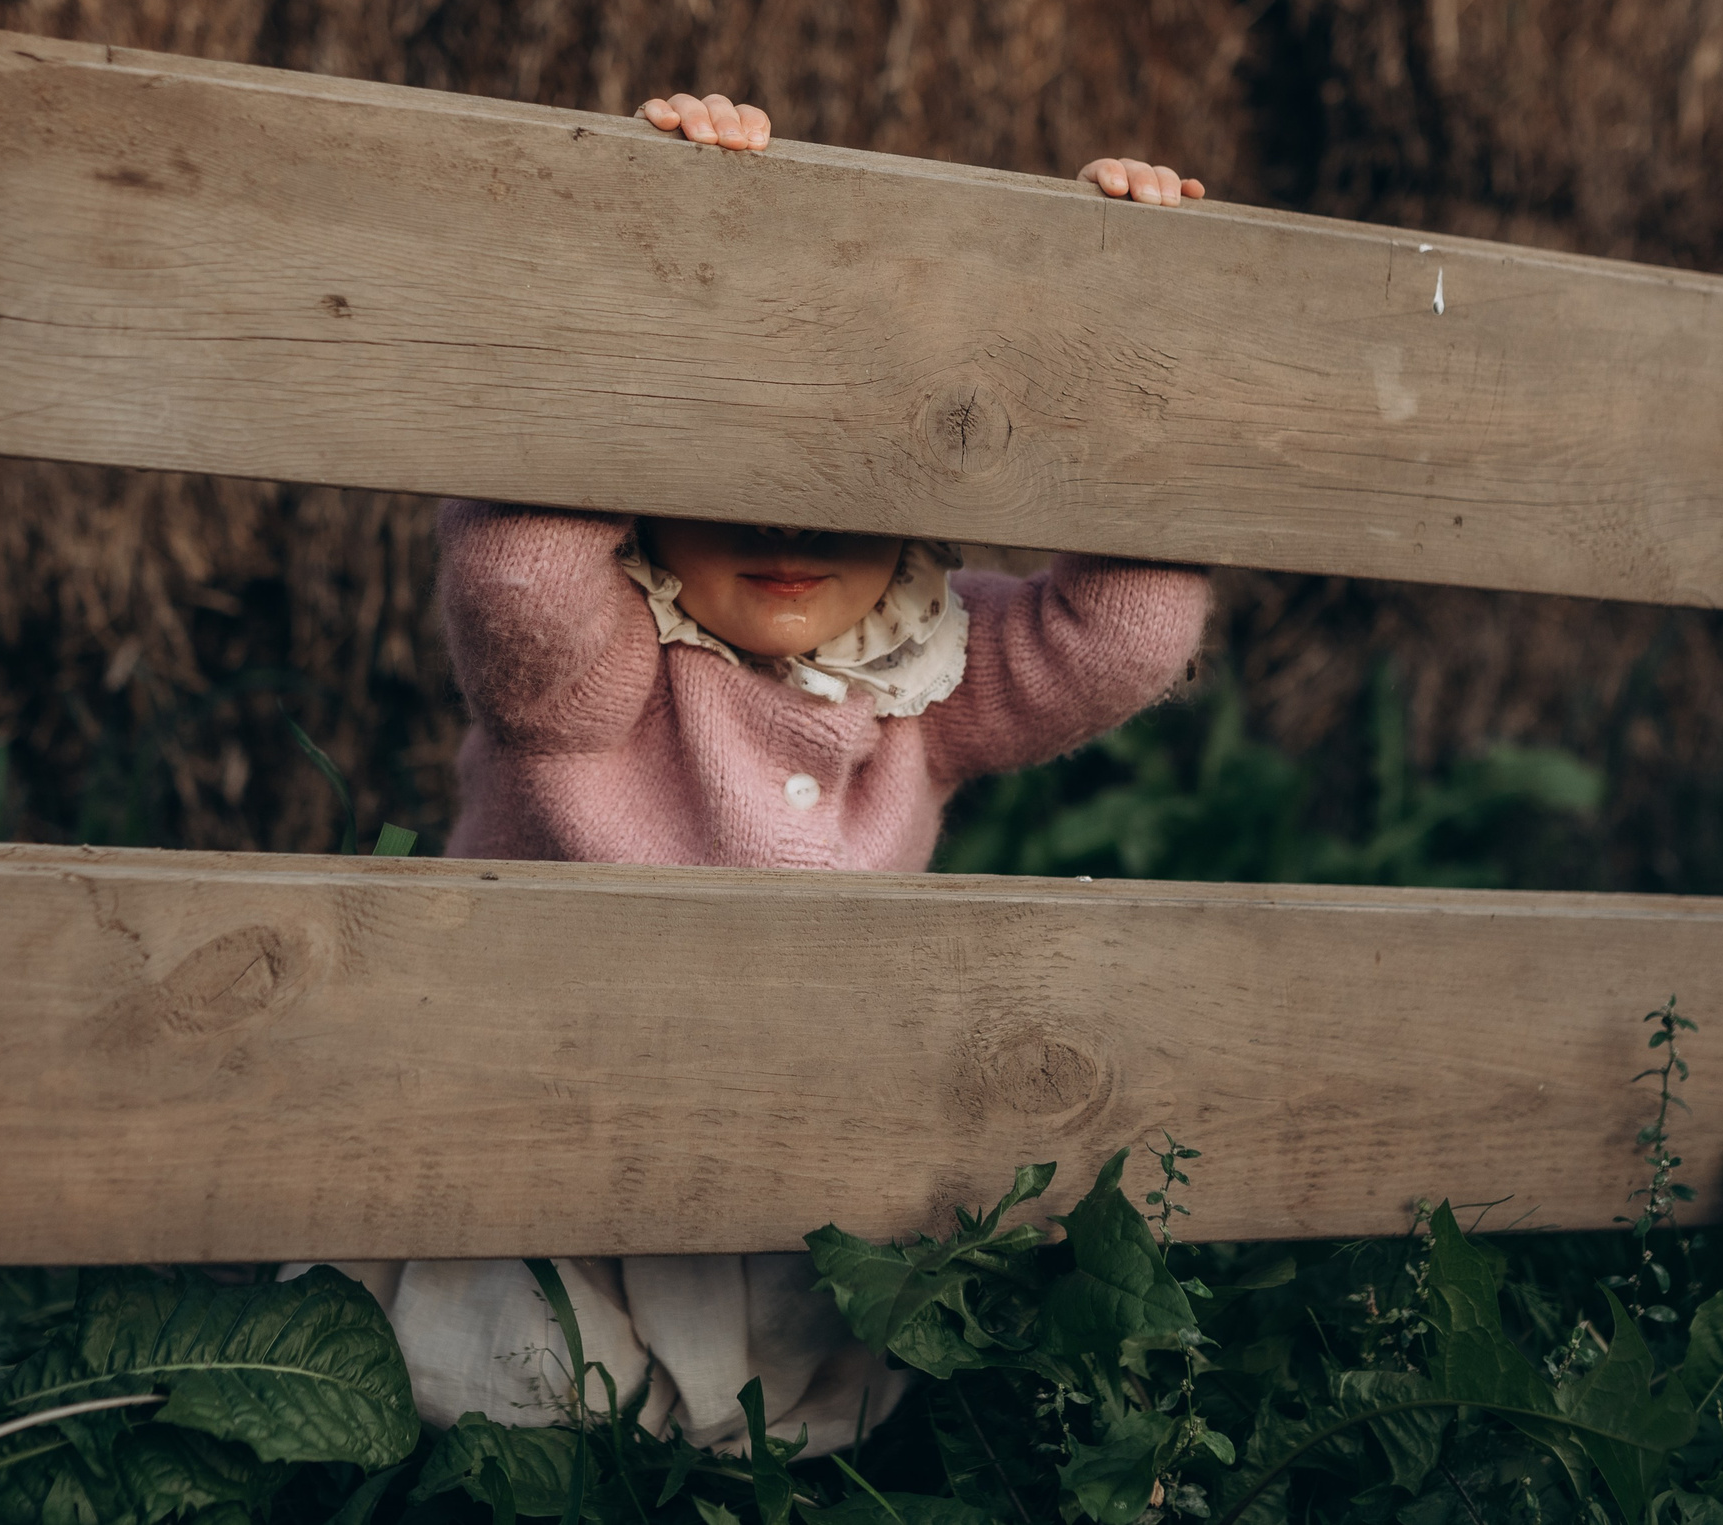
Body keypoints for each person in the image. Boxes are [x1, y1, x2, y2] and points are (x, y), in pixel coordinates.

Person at [290, 92, 1214, 1456]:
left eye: (847, 477)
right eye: (734, 469)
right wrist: (673, 260)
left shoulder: (927, 674)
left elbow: (1129, 628)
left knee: (794, 1367)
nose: (788, 521)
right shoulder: (603, 671)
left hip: (794, 1176)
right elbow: (522, 565)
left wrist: (1109, 311)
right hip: (558, 1158)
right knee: (532, 1381)